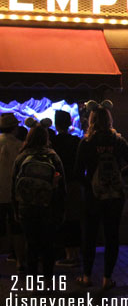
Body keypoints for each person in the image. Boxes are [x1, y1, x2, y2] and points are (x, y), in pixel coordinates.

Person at [75, 100, 128, 289]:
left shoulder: (86, 142)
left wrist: (91, 186)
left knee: (90, 237)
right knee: (112, 236)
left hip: (93, 197)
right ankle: (107, 279)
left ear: (91, 120)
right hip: (115, 196)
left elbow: (77, 173)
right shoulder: (118, 140)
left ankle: (86, 277)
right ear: (109, 119)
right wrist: (119, 176)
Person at [13, 124, 66, 280]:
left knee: (31, 245)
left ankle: (33, 283)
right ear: (46, 138)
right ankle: (48, 280)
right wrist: (61, 209)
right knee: (48, 245)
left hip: (26, 206)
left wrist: (16, 208)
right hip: (48, 206)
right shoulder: (53, 156)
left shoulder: (21, 157)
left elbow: (14, 185)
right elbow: (62, 186)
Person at [52, 110, 82, 267]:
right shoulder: (76, 141)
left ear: (56, 124)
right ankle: (76, 252)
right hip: (76, 183)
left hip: (60, 184)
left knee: (64, 218)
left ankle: (69, 255)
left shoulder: (53, 143)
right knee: (75, 218)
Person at [0, 113, 26, 272]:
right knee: (18, 228)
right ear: (15, 128)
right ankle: (20, 261)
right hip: (15, 193)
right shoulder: (20, 145)